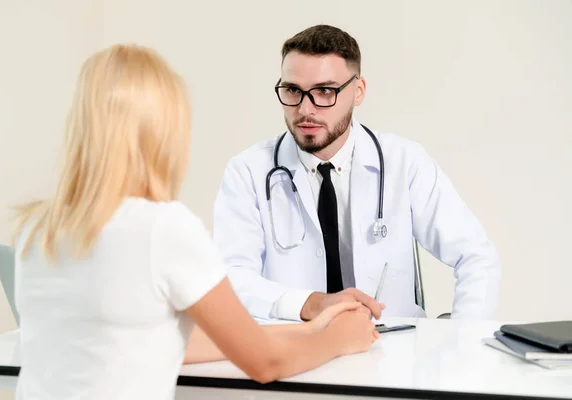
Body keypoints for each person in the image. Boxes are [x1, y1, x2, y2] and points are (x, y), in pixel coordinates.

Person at [12, 43, 379, 400]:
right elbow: (265, 364)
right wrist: (338, 339)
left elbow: (162, 340)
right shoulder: (163, 228)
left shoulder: (38, 227)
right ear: (162, 131)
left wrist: (311, 329)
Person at [212, 24, 501, 323]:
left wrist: (463, 340)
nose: (305, 109)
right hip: (293, 352)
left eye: (325, 91)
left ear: (358, 91)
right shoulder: (247, 171)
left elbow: (477, 257)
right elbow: (230, 277)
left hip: (391, 351)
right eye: (293, 91)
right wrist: (310, 304)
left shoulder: (405, 162)